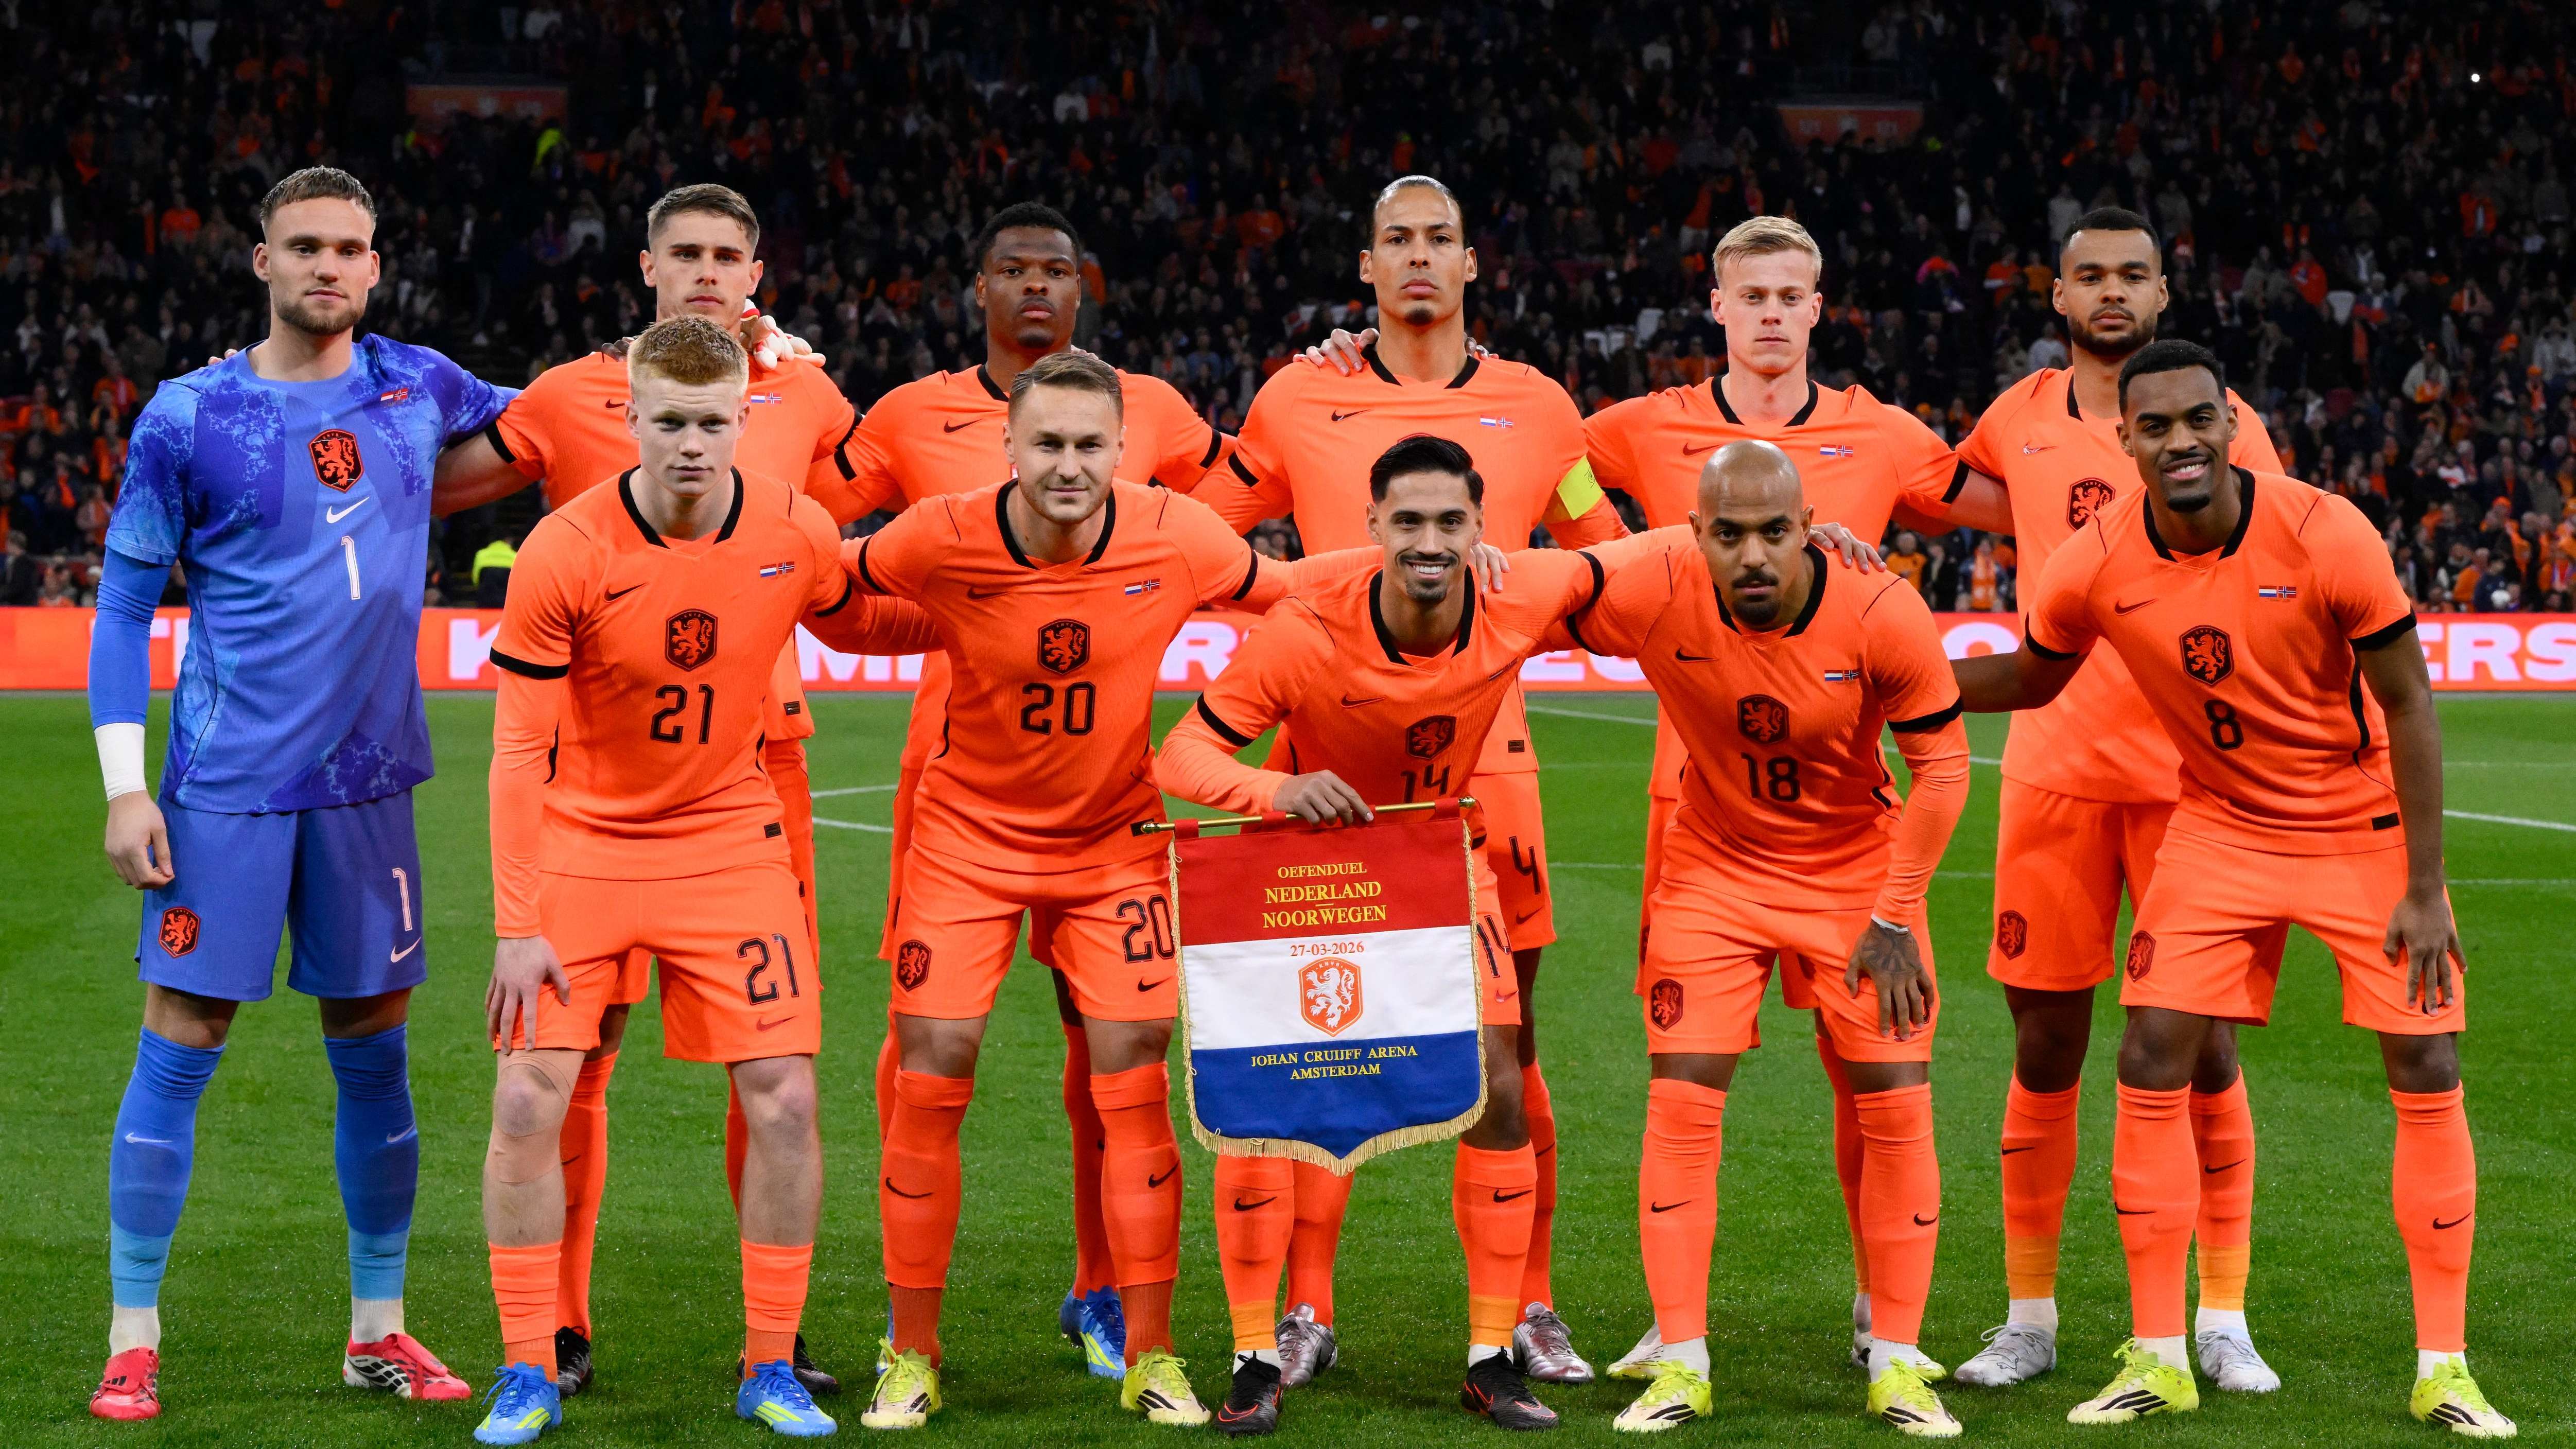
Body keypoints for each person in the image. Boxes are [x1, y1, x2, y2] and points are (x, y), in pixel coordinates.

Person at [836, 351, 1496, 1431]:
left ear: (1121, 450)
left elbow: (1284, 584)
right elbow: (833, 590)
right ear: (1009, 446)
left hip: (1113, 843)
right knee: (931, 1068)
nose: (1068, 465)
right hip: (965, 840)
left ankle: (1150, 1350)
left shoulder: (1174, 532)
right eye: (1048, 444)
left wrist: (1442, 556)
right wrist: (920, 622)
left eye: (1090, 445)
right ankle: (911, 1350)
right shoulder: (939, 534)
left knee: (1136, 1077)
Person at [1954, 340, 2514, 1437]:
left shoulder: (2324, 530)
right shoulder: (2095, 558)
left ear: (2230, 424)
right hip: (2220, 825)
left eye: (2198, 420)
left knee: (2427, 1059)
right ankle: (2159, 1353)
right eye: (2157, 426)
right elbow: (2030, 675)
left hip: (2358, 825)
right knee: (2151, 1051)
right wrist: (1884, 678)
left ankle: (2445, 1366)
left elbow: (2409, 701)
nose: (2182, 441)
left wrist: (2426, 885)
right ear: (2126, 440)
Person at [84, 166, 508, 1421]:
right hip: (225, 789)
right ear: (262, 259)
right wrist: (124, 788)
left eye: (351, 248)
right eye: (306, 245)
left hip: (369, 787)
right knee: (182, 1041)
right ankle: (132, 1335)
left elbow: (582, 416)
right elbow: (122, 607)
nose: (329, 265)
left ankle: (378, 1329)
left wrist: (737, 346)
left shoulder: (419, 384)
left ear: (377, 266)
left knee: (375, 1055)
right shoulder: (190, 414)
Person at [472, 315, 936, 1445]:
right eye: (671, 422)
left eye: (713, 423)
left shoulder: (794, 526)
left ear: (743, 420)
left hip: (728, 842)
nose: (691, 444)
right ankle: (528, 1366)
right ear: (632, 417)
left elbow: (858, 618)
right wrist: (516, 923)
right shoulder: (565, 548)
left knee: (785, 1096)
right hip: (583, 844)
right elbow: (517, 749)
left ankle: (770, 1362)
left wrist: (986, 611)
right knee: (528, 1096)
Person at [1202, 174, 1630, 1387]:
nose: (1421, 257)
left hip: (1491, 770)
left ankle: (1528, 1305)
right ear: (1369, 266)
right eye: (1398, 239)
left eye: (1442, 237)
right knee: (1313, 1045)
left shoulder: (1541, 407)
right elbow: (1208, 540)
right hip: (1326, 771)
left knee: (1510, 1050)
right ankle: (1306, 1309)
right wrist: (1298, 617)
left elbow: (1605, 558)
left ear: (1473, 261)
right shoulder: (1298, 395)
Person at [432, 182, 858, 1397]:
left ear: (757, 273)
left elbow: (859, 544)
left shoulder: (806, 396)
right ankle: (554, 1329)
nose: (709, 272)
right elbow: (442, 478)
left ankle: (776, 1339)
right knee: (568, 1072)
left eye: (730, 254)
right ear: (648, 267)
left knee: (773, 1066)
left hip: (755, 776)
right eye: (689, 253)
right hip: (593, 789)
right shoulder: (571, 398)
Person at [1576, 215, 2004, 1378]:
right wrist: (1621, 548)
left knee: (1864, 1074)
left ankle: (1879, 1303)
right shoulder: (1646, 423)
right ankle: (1676, 1321)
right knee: (1684, 1072)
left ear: (1819, 308)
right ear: (1717, 305)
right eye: (1751, 295)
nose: (1771, 313)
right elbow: (1543, 456)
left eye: (1790, 296)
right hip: (1694, 797)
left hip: (1840, 796)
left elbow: (2003, 502)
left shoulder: (1885, 433)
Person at [830, 201, 1238, 1376]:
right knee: (927, 1049)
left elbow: (1259, 531)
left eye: (1055, 269)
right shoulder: (913, 435)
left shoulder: (1158, 446)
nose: (1035, 285)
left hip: (1106, 804)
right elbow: (817, 555)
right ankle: (909, 1330)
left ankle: (1109, 1297)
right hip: (957, 788)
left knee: (1112, 1056)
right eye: (1012, 268)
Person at [1154, 435, 1622, 1434]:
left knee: (1500, 1085)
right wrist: (1277, 787)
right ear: (1372, 526)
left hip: (1442, 869)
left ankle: (1491, 1357)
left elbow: (1654, 557)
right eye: (1408, 521)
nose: (1429, 540)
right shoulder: (1306, 628)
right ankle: (1253, 1356)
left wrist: (1818, 541)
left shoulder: (1520, 595)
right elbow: (1183, 753)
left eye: (1451, 521)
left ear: (1481, 527)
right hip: (1309, 875)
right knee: (1264, 1100)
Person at [1559, 440, 1971, 1436]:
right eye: (1730, 534)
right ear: (1695, 534)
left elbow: (1945, 771)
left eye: (1775, 532)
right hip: (1713, 869)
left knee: (1896, 1102)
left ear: (1809, 528)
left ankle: (1897, 1357)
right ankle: (1682, 1360)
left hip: (1856, 875)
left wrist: (1894, 917)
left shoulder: (1880, 608)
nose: (1753, 555)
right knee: (1681, 1101)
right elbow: (1534, 588)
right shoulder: (1656, 584)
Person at [1944, 211, 2288, 1393]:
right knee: (2045, 1044)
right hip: (2054, 773)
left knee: (2202, 1050)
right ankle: (2028, 1316)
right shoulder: (2018, 417)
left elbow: (2275, 569)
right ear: (2057, 292)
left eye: (2132, 274)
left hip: (2198, 789)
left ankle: (2223, 1315)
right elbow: (1951, 493)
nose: (2110, 291)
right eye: (2089, 274)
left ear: (2161, 289)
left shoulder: (2228, 425)